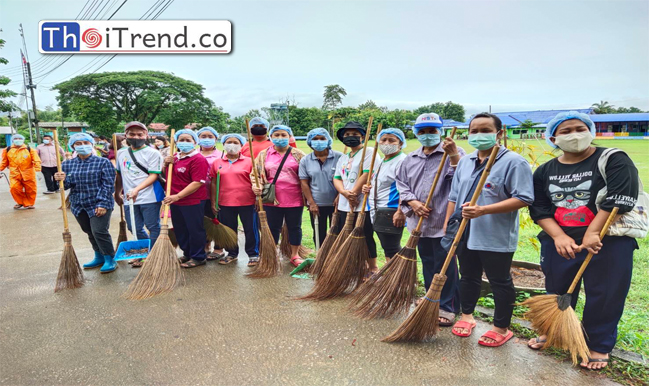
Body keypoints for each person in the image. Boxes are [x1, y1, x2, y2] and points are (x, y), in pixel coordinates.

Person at [529, 111, 639, 370]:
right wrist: (558, 236)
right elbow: (539, 208)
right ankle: (555, 331)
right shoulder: (545, 170)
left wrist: (593, 232)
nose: (574, 135)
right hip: (559, 242)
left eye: (580, 128)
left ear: (591, 130)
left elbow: (620, 196)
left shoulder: (612, 159)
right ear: (553, 137)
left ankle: (598, 344)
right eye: (565, 131)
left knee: (606, 293)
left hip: (607, 241)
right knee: (557, 289)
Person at [449, 112, 534, 347]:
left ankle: (501, 327)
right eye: (474, 130)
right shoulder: (465, 162)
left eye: (485, 130)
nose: (478, 135)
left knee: (500, 281)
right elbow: (453, 197)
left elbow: (524, 198)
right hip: (464, 231)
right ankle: (467, 316)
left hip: (495, 234)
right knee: (468, 276)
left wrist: (483, 210)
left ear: (499, 132)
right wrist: (450, 227)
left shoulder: (513, 162)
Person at [396, 113, 465, 325]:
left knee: (446, 264)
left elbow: (463, 179)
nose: (427, 135)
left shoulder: (454, 154)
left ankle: (448, 306)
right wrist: (413, 202)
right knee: (427, 261)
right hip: (419, 222)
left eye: (432, 131)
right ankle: (431, 298)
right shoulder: (411, 158)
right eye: (423, 132)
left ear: (441, 131)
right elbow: (401, 183)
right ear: (416, 133)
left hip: (443, 220)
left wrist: (453, 155)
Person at [54, 133, 117, 273]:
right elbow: (68, 185)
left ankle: (109, 258)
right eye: (78, 144)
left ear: (92, 145)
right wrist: (60, 178)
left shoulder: (103, 162)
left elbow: (108, 185)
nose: (82, 146)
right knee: (89, 231)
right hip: (78, 204)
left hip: (98, 203)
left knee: (99, 231)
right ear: (73, 146)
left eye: (86, 143)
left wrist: (102, 204)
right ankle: (99, 255)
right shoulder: (67, 164)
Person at [251, 125, 306, 267]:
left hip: (295, 198)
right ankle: (271, 254)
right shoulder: (264, 155)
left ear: (290, 137)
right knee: (272, 227)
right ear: (271, 137)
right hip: (271, 198)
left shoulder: (298, 154)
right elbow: (255, 174)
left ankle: (294, 254)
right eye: (276, 135)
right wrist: (256, 186)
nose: (280, 138)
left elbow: (306, 175)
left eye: (283, 135)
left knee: (295, 227)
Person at [114, 121, 165, 268]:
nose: (136, 136)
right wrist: (117, 192)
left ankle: (152, 255)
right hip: (129, 199)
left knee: (153, 226)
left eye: (139, 134)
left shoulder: (153, 153)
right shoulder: (121, 153)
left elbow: (153, 175)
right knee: (133, 227)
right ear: (126, 136)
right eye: (132, 134)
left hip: (150, 197)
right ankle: (144, 252)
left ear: (146, 135)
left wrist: (137, 189)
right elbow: (119, 174)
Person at [332, 121, 378, 274]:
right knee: (348, 234)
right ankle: (358, 266)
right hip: (345, 203)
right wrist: (344, 193)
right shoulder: (344, 158)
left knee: (365, 235)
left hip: (362, 203)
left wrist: (354, 193)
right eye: (347, 135)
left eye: (354, 135)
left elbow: (367, 173)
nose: (350, 137)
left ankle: (373, 268)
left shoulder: (369, 152)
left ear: (363, 137)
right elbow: (337, 178)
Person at [209, 133, 260, 266]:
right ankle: (232, 253)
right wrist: (213, 201)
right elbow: (213, 183)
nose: (232, 145)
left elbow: (256, 181)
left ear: (241, 145)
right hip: (225, 202)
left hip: (247, 202)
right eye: (229, 142)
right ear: (224, 144)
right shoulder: (217, 163)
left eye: (235, 142)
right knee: (229, 229)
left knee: (250, 229)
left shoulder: (250, 162)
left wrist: (257, 199)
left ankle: (253, 254)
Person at [163, 129, 209, 268]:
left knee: (194, 229)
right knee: (180, 228)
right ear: (176, 142)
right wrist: (166, 164)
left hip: (192, 201)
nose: (184, 143)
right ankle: (187, 253)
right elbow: (168, 176)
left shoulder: (198, 159)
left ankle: (198, 256)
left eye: (188, 140)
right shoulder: (175, 158)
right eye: (181, 140)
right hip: (175, 201)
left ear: (195, 143)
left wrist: (178, 196)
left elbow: (197, 182)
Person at [362, 128, 407, 261]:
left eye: (392, 140)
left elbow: (404, 189)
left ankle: (397, 279)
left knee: (391, 247)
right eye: (383, 140)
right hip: (377, 209)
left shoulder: (402, 161)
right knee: (386, 246)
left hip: (390, 210)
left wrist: (400, 211)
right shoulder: (383, 161)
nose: (386, 143)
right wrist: (368, 187)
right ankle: (391, 277)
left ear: (400, 143)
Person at [299, 128, 343, 248]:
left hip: (337, 204)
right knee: (319, 234)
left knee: (337, 233)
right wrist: (311, 202)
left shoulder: (339, 157)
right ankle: (321, 259)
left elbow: (346, 179)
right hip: (317, 204)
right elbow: (304, 183)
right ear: (310, 142)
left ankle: (335, 259)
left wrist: (340, 196)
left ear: (328, 140)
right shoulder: (306, 160)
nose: (319, 141)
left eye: (322, 138)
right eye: (315, 139)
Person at [196, 126, 225, 259]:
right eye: (203, 136)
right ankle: (206, 245)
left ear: (216, 139)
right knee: (202, 221)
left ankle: (219, 247)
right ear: (197, 138)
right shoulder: (193, 153)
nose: (206, 139)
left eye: (210, 137)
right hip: (198, 194)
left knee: (217, 220)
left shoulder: (222, 155)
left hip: (218, 194)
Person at [1, 134, 41, 210]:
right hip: (14, 173)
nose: (18, 140)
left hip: (28, 173)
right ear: (12, 140)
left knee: (31, 189)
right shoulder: (7, 149)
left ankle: (30, 203)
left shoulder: (30, 149)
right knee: (14, 188)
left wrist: (38, 171)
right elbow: (4, 162)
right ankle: (20, 202)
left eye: (20, 138)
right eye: (16, 138)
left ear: (23, 140)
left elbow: (36, 160)